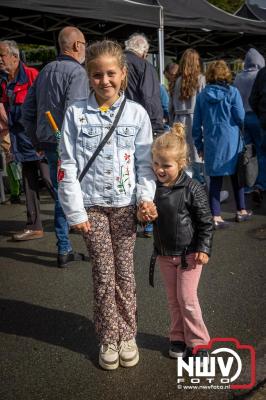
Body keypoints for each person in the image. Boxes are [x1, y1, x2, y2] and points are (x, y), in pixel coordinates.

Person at [58, 40, 157, 370]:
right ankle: (108, 338)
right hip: (92, 208)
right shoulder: (76, 114)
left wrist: (145, 199)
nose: (105, 81)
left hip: (126, 206)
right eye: (97, 74)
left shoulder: (137, 114)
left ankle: (128, 334)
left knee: (125, 274)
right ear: (89, 76)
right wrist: (75, 211)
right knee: (103, 274)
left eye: (111, 73)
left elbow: (145, 163)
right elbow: (67, 164)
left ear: (123, 73)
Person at [21, 26, 89, 268]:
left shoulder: (45, 71)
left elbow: (26, 112)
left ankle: (64, 246)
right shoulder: (77, 73)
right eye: (84, 43)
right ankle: (67, 247)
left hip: (49, 141)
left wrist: (37, 140)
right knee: (71, 192)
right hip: (70, 143)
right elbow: (75, 114)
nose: (86, 48)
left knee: (63, 191)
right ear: (76, 45)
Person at [147, 122, 213, 362]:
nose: (159, 170)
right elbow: (148, 216)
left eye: (166, 165)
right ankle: (178, 338)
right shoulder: (151, 188)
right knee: (174, 301)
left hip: (190, 256)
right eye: (156, 163)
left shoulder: (193, 188)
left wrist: (204, 249)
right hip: (164, 255)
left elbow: (206, 222)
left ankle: (199, 342)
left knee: (187, 300)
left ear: (182, 164)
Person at [192, 60, 252, 229]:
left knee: (215, 180)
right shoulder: (233, 92)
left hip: (212, 142)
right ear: (226, 74)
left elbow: (196, 125)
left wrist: (199, 145)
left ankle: (216, 216)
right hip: (232, 141)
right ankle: (241, 211)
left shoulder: (202, 95)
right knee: (237, 177)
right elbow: (241, 117)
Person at [0, 40, 50, 240]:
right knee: (29, 183)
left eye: (1, 55)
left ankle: (74, 216)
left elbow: (43, 108)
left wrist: (42, 139)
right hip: (19, 140)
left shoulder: (32, 75)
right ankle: (34, 225)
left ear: (15, 56)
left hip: (37, 140)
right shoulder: (3, 80)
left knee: (49, 178)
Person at [124, 33, 163, 238]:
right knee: (146, 169)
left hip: (119, 125)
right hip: (142, 125)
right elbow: (150, 98)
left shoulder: (117, 62)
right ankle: (147, 221)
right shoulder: (144, 65)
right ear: (145, 52)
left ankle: (130, 217)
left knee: (125, 170)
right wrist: (157, 125)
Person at [172, 49, 205, 183]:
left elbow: (170, 106)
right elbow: (203, 102)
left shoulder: (177, 80)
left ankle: (186, 185)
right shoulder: (201, 79)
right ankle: (199, 188)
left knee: (183, 155)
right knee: (198, 155)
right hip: (195, 119)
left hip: (179, 120)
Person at [248, 51, 266, 200]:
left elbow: (253, 99)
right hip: (259, 119)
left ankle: (258, 184)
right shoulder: (260, 73)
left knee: (259, 154)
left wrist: (261, 114)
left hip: (261, 120)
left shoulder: (262, 74)